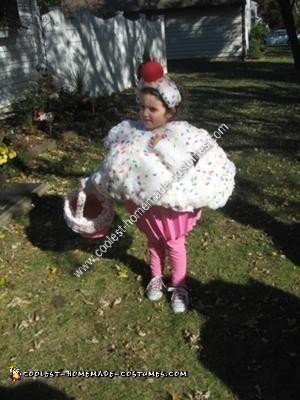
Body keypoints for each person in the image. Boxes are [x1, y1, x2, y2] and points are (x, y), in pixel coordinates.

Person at [86, 60, 236, 313]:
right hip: (145, 207)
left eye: (152, 109)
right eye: (141, 107)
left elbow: (185, 165)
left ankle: (180, 286)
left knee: (175, 245)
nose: (145, 113)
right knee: (154, 244)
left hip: (172, 209)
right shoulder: (129, 132)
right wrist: (91, 183)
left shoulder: (181, 135)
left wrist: (162, 146)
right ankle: (156, 278)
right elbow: (112, 164)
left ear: (170, 112)